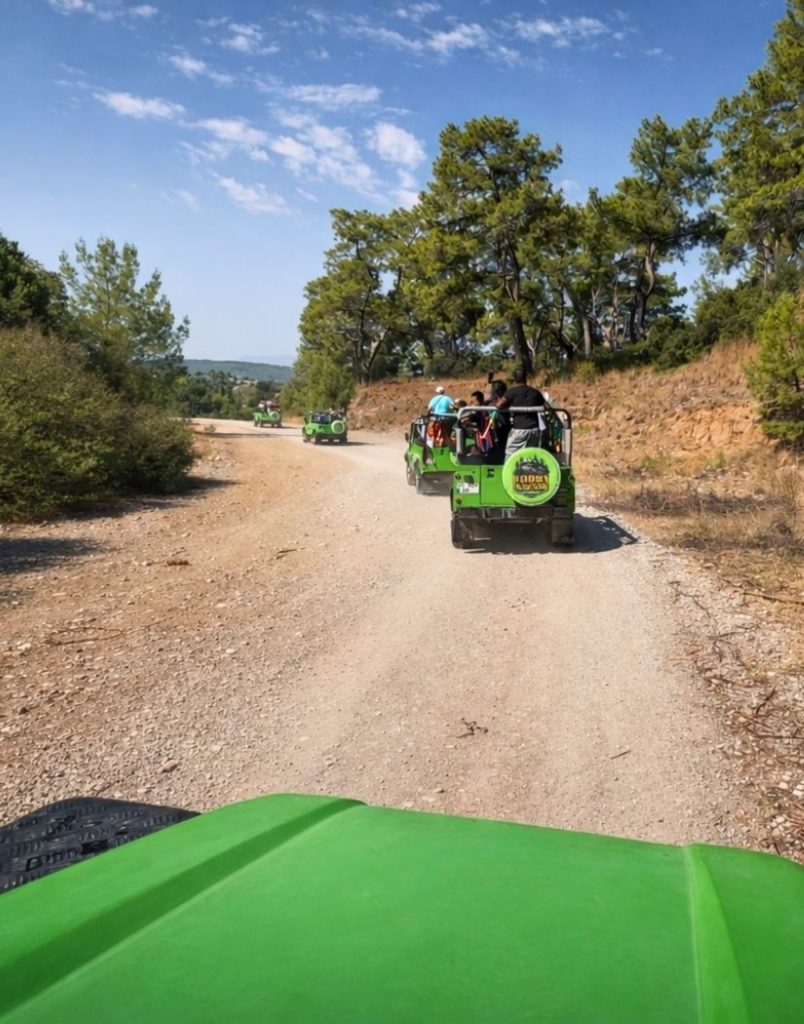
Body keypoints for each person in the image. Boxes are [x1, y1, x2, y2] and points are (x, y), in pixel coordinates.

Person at [500, 368, 547, 458]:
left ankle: (508, 468)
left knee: (510, 455)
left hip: (519, 430)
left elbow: (499, 405)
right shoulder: (535, 392)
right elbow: (546, 406)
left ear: (515, 379)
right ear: (525, 378)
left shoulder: (511, 392)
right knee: (530, 456)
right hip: (534, 430)